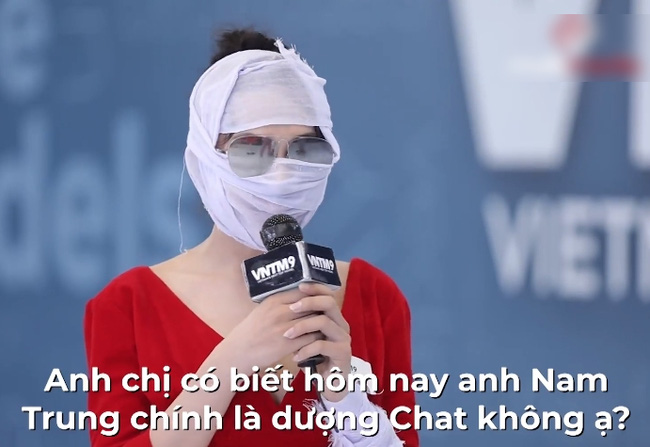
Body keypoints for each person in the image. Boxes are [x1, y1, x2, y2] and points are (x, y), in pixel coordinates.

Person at [84, 28, 419, 447]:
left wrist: (346, 398)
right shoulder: (128, 307)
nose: (281, 174)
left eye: (303, 150)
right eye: (251, 149)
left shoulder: (374, 297)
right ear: (207, 154)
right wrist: (232, 361)